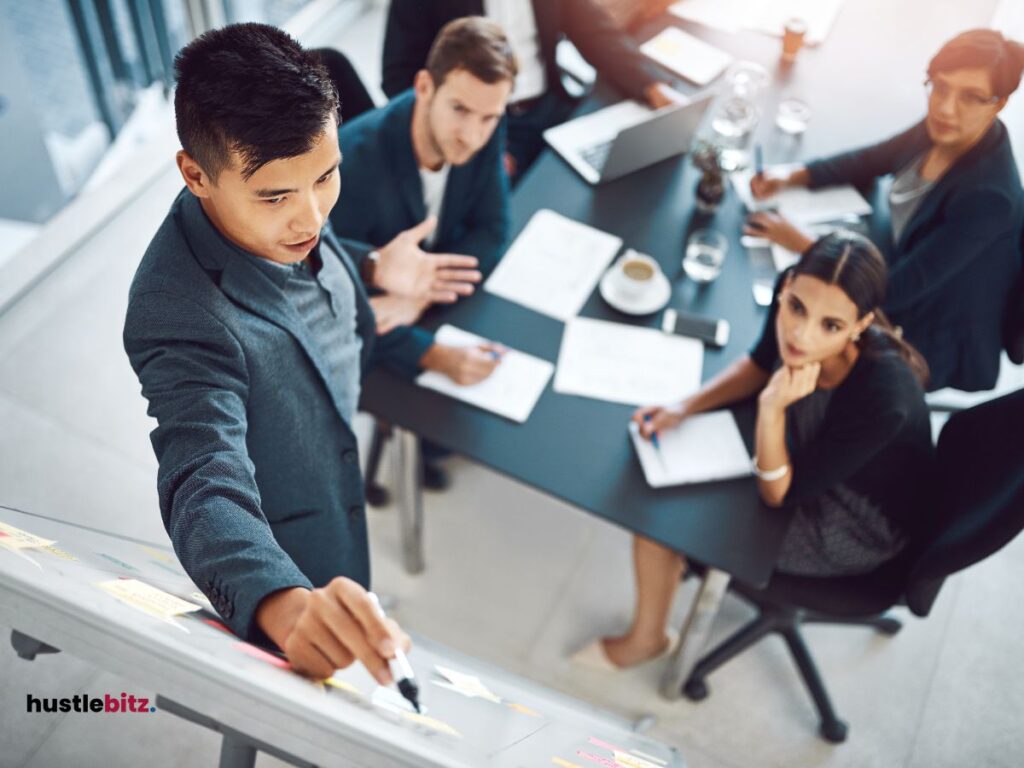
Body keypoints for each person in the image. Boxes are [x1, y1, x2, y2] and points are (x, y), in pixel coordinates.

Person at [123, 23, 490, 681]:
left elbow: (309, 242)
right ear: (195, 175)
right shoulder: (175, 314)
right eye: (276, 196)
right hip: (302, 531)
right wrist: (283, 606)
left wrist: (373, 265)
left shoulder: (285, 215)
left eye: (326, 178)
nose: (311, 218)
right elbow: (199, 473)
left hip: (338, 401)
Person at [573, 233, 934, 669]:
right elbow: (762, 363)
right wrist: (684, 406)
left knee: (663, 522)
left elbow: (779, 492)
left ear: (861, 326)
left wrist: (772, 407)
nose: (800, 334)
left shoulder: (884, 400)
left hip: (850, 518)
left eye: (831, 326)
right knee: (660, 488)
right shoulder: (790, 295)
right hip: (804, 446)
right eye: (796, 307)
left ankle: (647, 639)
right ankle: (674, 572)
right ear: (787, 287)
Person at [747, 29, 1024, 393]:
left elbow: (895, 291)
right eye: (939, 87)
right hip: (898, 263)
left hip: (929, 326)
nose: (945, 107)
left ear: (999, 103)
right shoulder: (944, 128)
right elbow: (872, 159)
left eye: (970, 97)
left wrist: (806, 245)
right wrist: (795, 175)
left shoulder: (990, 199)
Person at [330, 17, 516, 490]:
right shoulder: (353, 163)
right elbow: (325, 298)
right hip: (364, 326)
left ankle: (432, 442)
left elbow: (494, 229)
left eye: (489, 118)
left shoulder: (483, 123)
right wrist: (433, 356)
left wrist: (421, 295)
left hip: (415, 304)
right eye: (460, 110)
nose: (472, 136)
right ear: (424, 85)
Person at [381, 0, 688, 177]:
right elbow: (398, 77)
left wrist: (651, 84)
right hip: (483, 125)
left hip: (550, 103)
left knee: (628, 173)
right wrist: (470, 139)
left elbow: (592, 29)